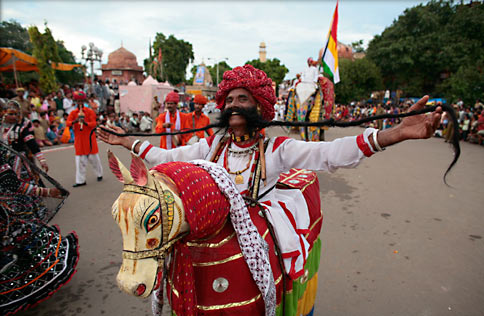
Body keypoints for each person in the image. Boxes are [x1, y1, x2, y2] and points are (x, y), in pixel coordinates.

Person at [99, 64, 442, 283]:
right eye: (230, 97)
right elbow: (167, 156)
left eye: (243, 98)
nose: (234, 103)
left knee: (274, 276)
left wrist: (394, 134)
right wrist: (129, 142)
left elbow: (331, 154)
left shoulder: (278, 149)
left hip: (258, 236)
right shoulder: (212, 145)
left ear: (260, 107)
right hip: (212, 228)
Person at [67, 90, 103, 187]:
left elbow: (94, 124)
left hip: (89, 139)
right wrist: (75, 121)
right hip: (79, 140)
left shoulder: (90, 111)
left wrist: (85, 123)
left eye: (81, 101)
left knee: (95, 159)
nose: (80, 103)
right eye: (78, 101)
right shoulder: (73, 113)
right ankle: (80, 181)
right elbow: (68, 123)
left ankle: (99, 174)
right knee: (79, 162)